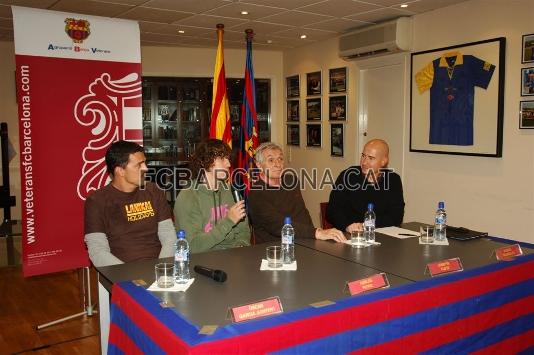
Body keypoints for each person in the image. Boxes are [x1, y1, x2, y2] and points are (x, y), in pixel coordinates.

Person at [84, 140, 176, 267]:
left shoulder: (153, 191)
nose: (146, 168)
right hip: (121, 272)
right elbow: (97, 251)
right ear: (120, 171)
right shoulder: (97, 201)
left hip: (158, 267)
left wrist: (162, 269)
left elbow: (169, 236)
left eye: (145, 162)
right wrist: (130, 277)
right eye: (139, 165)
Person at [248, 142, 346, 244]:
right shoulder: (256, 195)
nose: (277, 164)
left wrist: (315, 239)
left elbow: (303, 214)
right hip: (275, 249)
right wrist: (317, 233)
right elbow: (277, 225)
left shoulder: (290, 180)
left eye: (280, 159)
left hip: (305, 242)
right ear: (259, 165)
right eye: (271, 160)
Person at [174, 139, 250, 253]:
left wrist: (241, 246)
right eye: (222, 158)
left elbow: (243, 230)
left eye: (228, 159)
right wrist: (229, 221)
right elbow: (192, 246)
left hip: (233, 255)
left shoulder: (230, 190)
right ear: (205, 162)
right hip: (203, 259)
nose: (229, 164)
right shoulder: (188, 197)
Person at [326, 139, 405, 233]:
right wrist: (347, 226)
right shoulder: (348, 176)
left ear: (383, 161)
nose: (364, 162)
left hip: (381, 236)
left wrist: (366, 225)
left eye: (371, 158)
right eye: (363, 156)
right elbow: (332, 210)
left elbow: (396, 216)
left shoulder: (393, 180)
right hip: (350, 235)